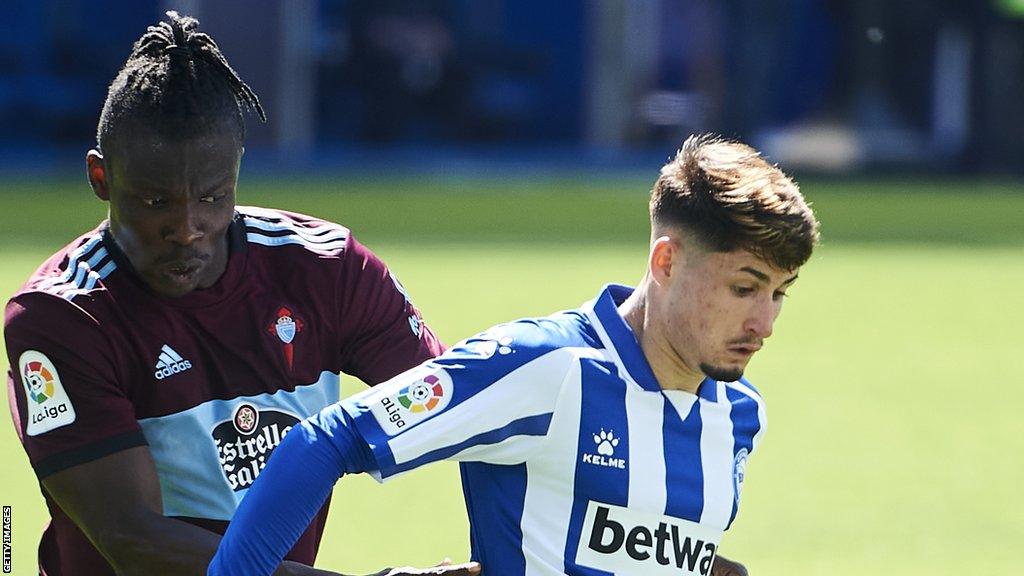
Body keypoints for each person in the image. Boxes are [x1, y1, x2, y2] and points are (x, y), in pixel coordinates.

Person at [208, 134, 820, 576]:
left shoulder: (740, 415)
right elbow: (329, 439)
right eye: (744, 288)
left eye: (779, 293)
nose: (764, 322)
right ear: (666, 261)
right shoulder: (546, 367)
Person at [4, 12, 480, 576]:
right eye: (156, 202)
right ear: (102, 179)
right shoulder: (61, 316)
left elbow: (461, 406)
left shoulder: (327, 271)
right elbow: (133, 539)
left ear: (236, 174)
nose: (186, 228)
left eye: (211, 196)